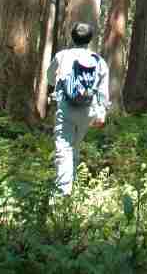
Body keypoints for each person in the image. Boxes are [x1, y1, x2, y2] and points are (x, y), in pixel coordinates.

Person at [47, 22, 110, 196]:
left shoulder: (62, 56)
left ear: (72, 37)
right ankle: (69, 188)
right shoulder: (98, 61)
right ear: (90, 39)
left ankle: (62, 194)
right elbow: (103, 91)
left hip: (66, 109)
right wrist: (102, 113)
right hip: (88, 111)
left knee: (64, 149)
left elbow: (50, 78)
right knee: (74, 146)